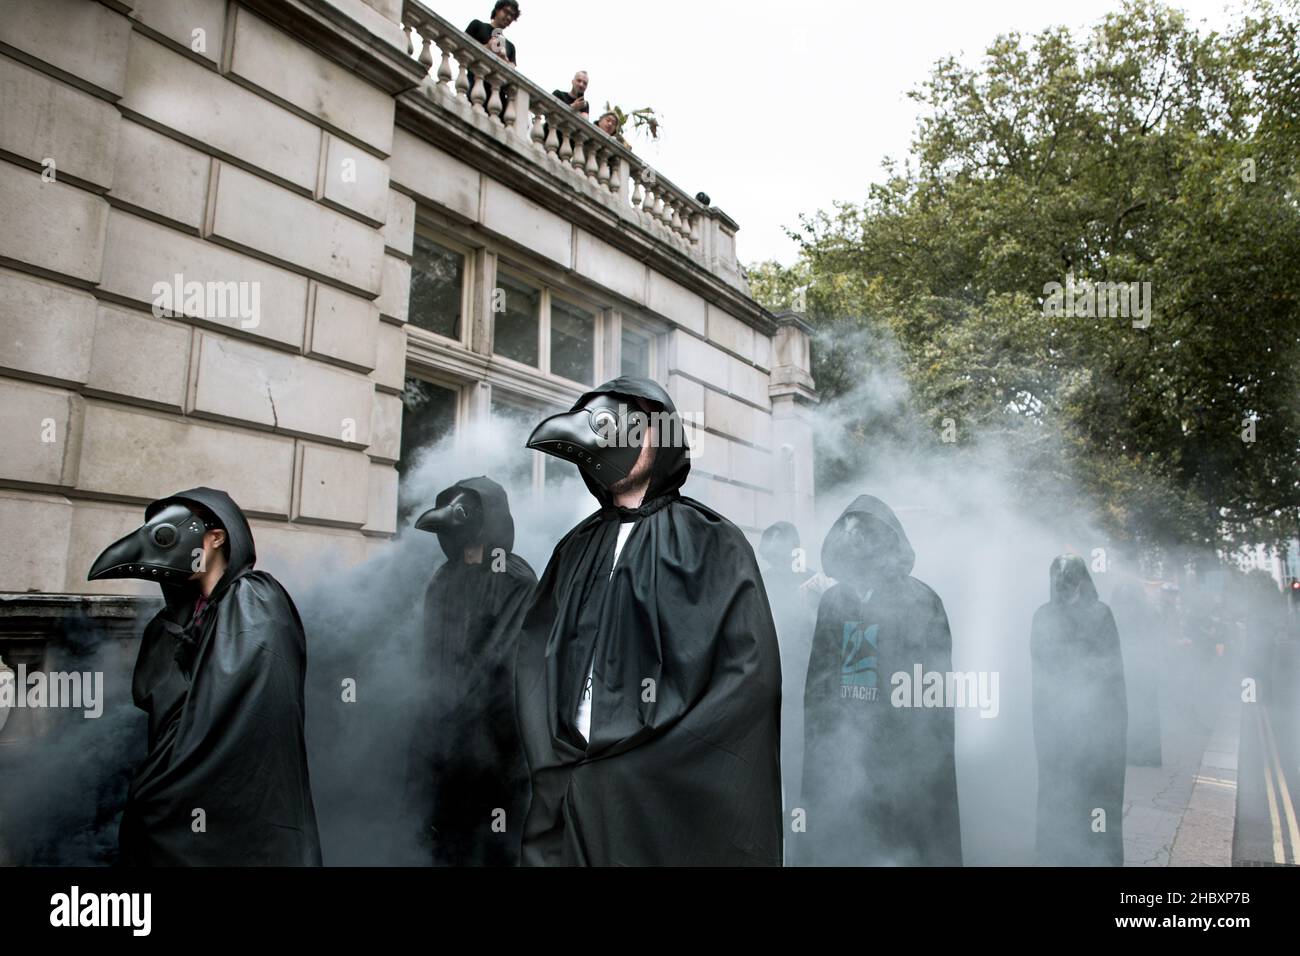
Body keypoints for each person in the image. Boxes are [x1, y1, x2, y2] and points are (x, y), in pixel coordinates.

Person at [514, 376, 783, 866]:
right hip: (568, 787)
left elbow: (748, 681)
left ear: (661, 437)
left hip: (660, 794)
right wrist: (551, 758)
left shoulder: (712, 544)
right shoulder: (575, 548)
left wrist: (642, 767)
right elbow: (535, 660)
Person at [88, 487, 321, 866]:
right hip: (181, 787)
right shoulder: (188, 613)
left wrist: (171, 783)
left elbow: (233, 711)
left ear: (216, 537)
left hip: (236, 799)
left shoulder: (254, 599)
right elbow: (156, 696)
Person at [798, 495, 962, 866]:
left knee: (900, 841)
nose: (853, 543)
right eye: (848, 535)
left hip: (901, 751)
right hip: (845, 753)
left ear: (883, 542)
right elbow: (819, 683)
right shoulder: (833, 602)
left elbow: (932, 690)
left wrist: (913, 753)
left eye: (862, 535)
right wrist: (826, 744)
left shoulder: (921, 600)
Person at [405, 477, 536, 866]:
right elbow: (430, 657)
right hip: (444, 743)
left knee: (494, 844)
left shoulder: (516, 581)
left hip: (496, 745)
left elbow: (504, 663)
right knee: (445, 840)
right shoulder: (443, 580)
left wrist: (458, 717)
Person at [1031, 554, 1127, 866]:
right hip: (1057, 723)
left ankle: (1098, 853)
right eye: (1059, 579)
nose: (1064, 585)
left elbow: (1112, 672)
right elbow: (1040, 671)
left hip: (1097, 722)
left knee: (1097, 791)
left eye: (1070, 578)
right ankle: (1058, 851)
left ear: (1082, 580)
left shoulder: (1101, 614)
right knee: (1060, 789)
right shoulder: (1043, 616)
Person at [758, 521, 819, 813]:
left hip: (801, 685)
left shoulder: (812, 583)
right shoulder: (760, 581)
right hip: (768, 686)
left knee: (796, 763)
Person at [1110, 576, 1163, 766]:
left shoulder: (1118, 611)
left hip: (1131, 666)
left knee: (1130, 709)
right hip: (1145, 667)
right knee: (1146, 710)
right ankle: (1147, 755)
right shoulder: (1150, 610)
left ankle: (1132, 752)